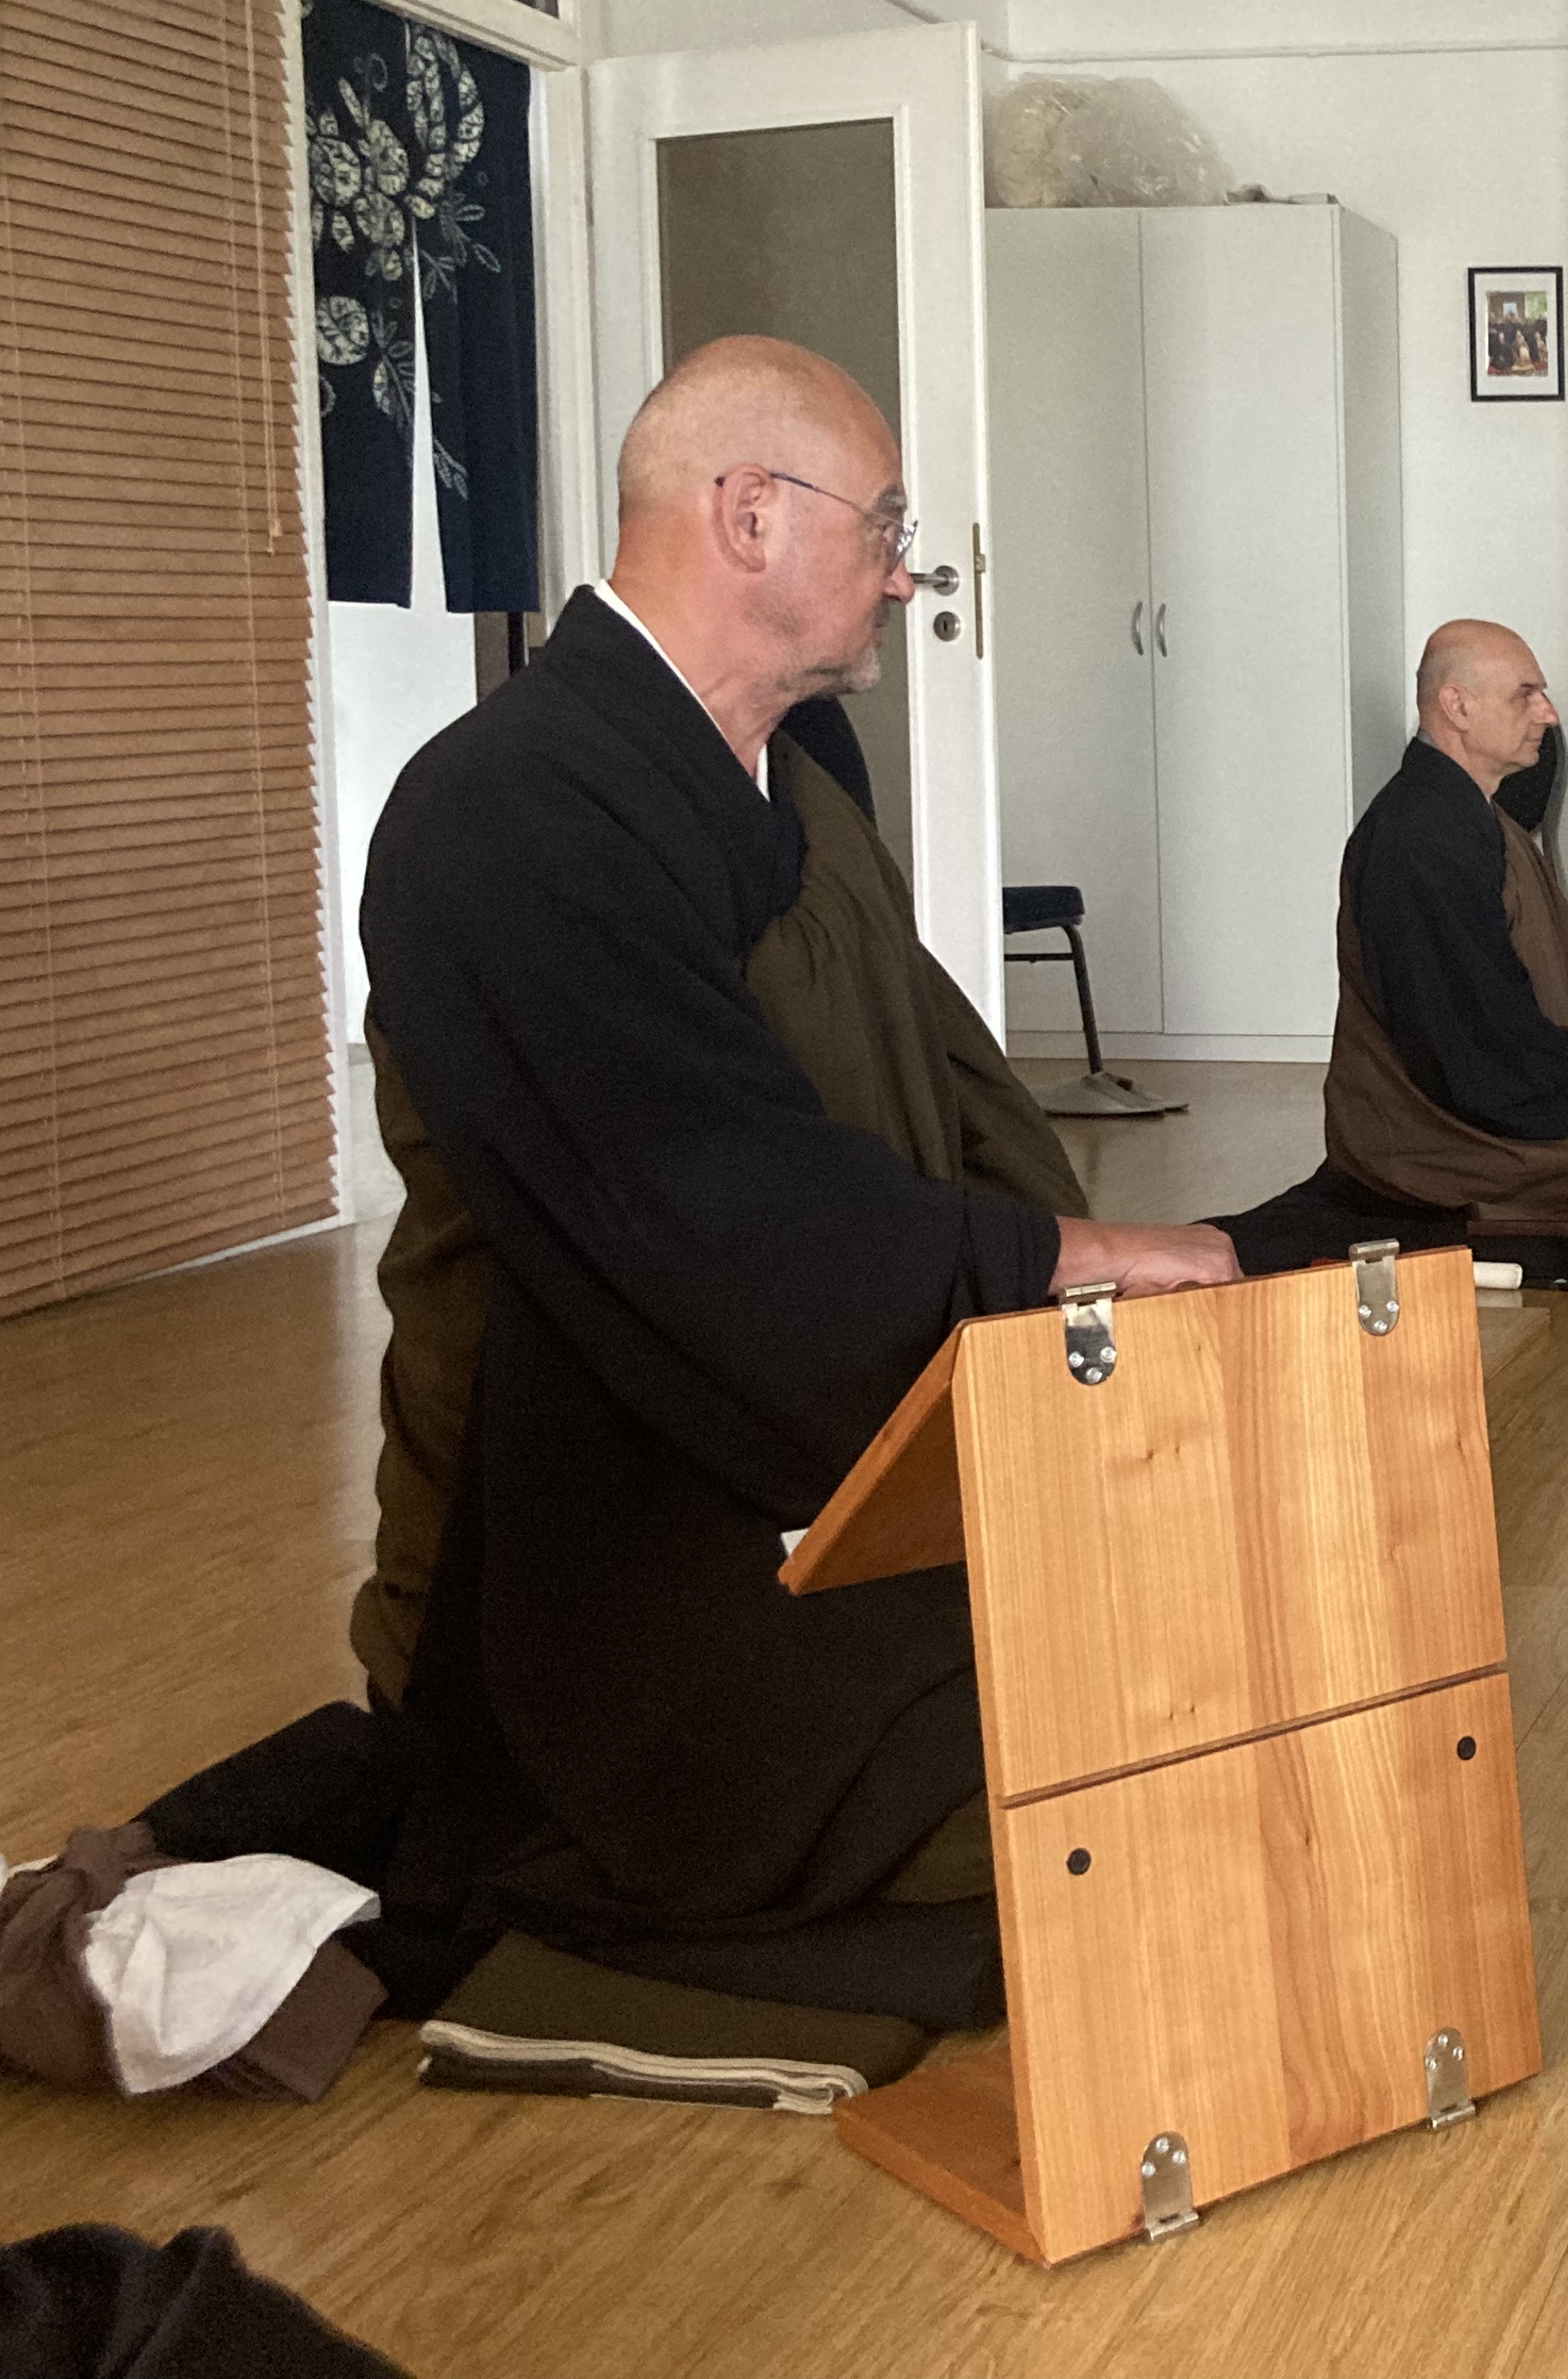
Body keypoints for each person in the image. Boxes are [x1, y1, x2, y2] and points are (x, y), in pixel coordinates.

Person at [359, 336, 1238, 2026]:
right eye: (887, 520)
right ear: (749, 514)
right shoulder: (503, 811)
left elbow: (954, 1068)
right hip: (612, 1546)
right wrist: (1046, 1255)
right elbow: (710, 1206)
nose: (910, 570)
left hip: (862, 1427)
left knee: (1208, 1641)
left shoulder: (802, 776)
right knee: (1130, 1785)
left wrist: (1093, 1326)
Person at [1324, 619, 1568, 1219]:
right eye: (1527, 694)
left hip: (1519, 1085)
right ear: (1458, 706)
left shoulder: (1494, 827)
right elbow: (1465, 1047)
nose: (1548, 714)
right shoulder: (1415, 837)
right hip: (1430, 1135)